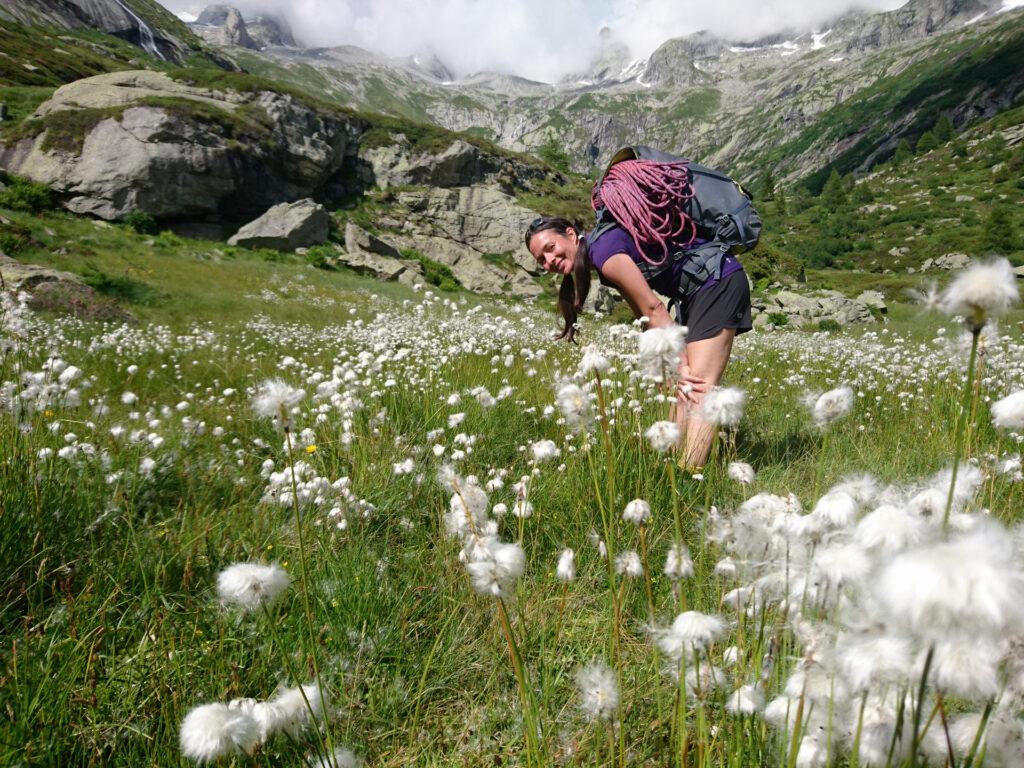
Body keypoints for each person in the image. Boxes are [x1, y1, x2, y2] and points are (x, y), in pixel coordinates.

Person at [525, 155, 753, 469]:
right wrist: (671, 368)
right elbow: (644, 318)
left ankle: (688, 480)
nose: (549, 261)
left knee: (698, 387)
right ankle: (673, 468)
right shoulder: (600, 256)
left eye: (550, 248)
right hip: (700, 288)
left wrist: (680, 367)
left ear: (569, 233)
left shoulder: (604, 252)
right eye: (541, 260)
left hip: (717, 282)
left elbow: (653, 307)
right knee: (679, 387)